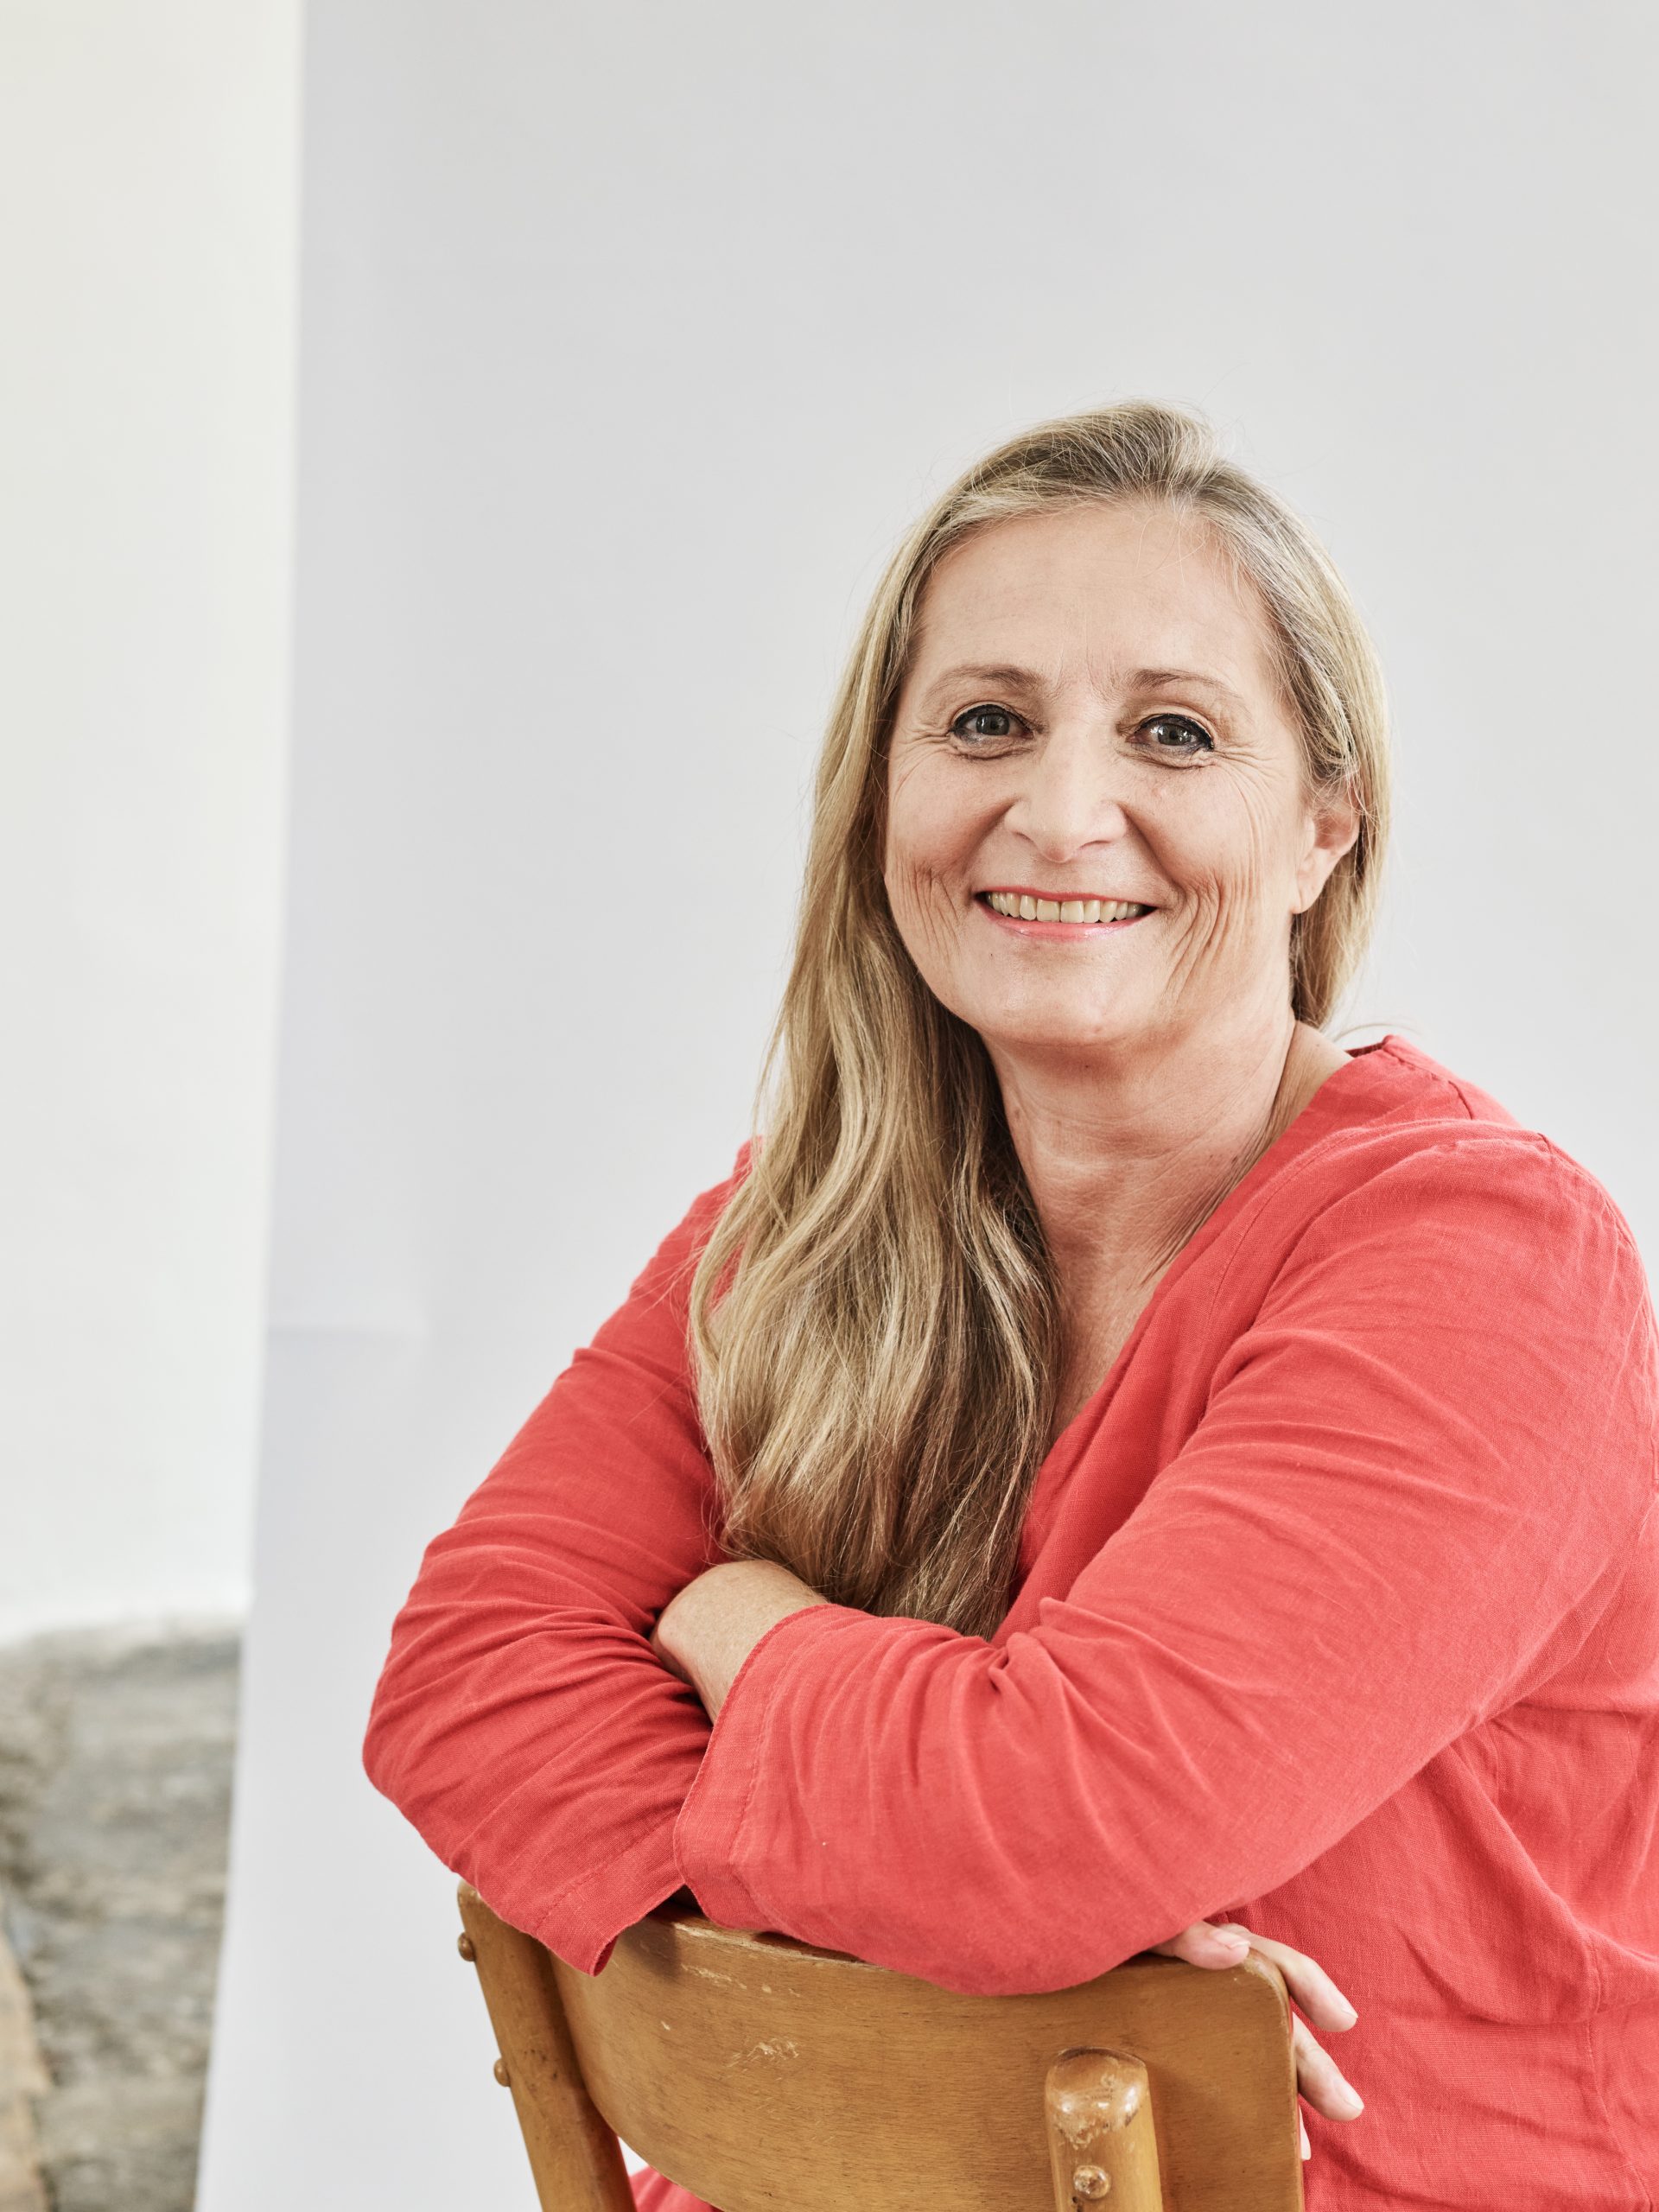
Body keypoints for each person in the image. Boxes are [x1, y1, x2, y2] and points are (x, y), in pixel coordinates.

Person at [362, 403, 1659, 2209]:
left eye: (1173, 732)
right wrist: (977, 1938)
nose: (1058, 812)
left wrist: (733, 1619)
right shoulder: (803, 1224)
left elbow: (1050, 1833)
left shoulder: (1485, 1260)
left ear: (1323, 827)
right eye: (985, 721)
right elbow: (462, 1671)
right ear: (882, 796)